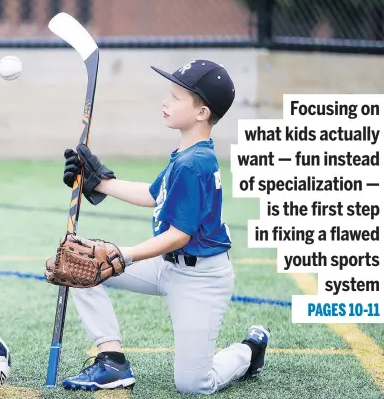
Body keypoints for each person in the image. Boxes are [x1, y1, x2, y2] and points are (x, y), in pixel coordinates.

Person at [49, 60, 270, 394]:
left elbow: (179, 235)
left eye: (177, 97)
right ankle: (112, 361)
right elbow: (154, 195)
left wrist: (124, 254)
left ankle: (249, 352)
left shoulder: (196, 163)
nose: (166, 102)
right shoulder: (185, 153)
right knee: (80, 268)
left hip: (201, 280)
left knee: (194, 384)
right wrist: (100, 182)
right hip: (166, 266)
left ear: (202, 112)